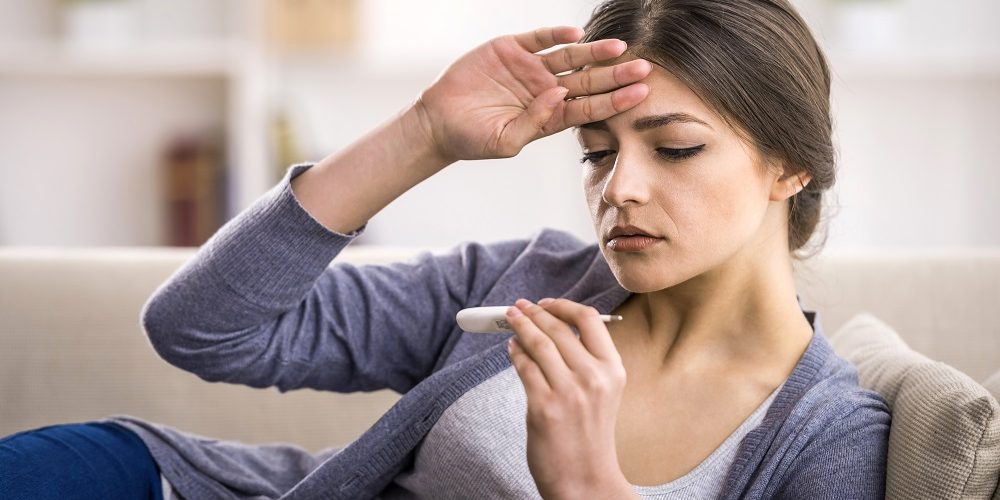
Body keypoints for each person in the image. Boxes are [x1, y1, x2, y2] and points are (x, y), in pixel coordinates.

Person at [0, 0, 890, 498]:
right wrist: (426, 131)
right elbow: (201, 328)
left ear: (790, 166)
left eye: (677, 148)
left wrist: (585, 484)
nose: (619, 189)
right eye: (597, 154)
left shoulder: (828, 438)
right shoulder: (523, 285)